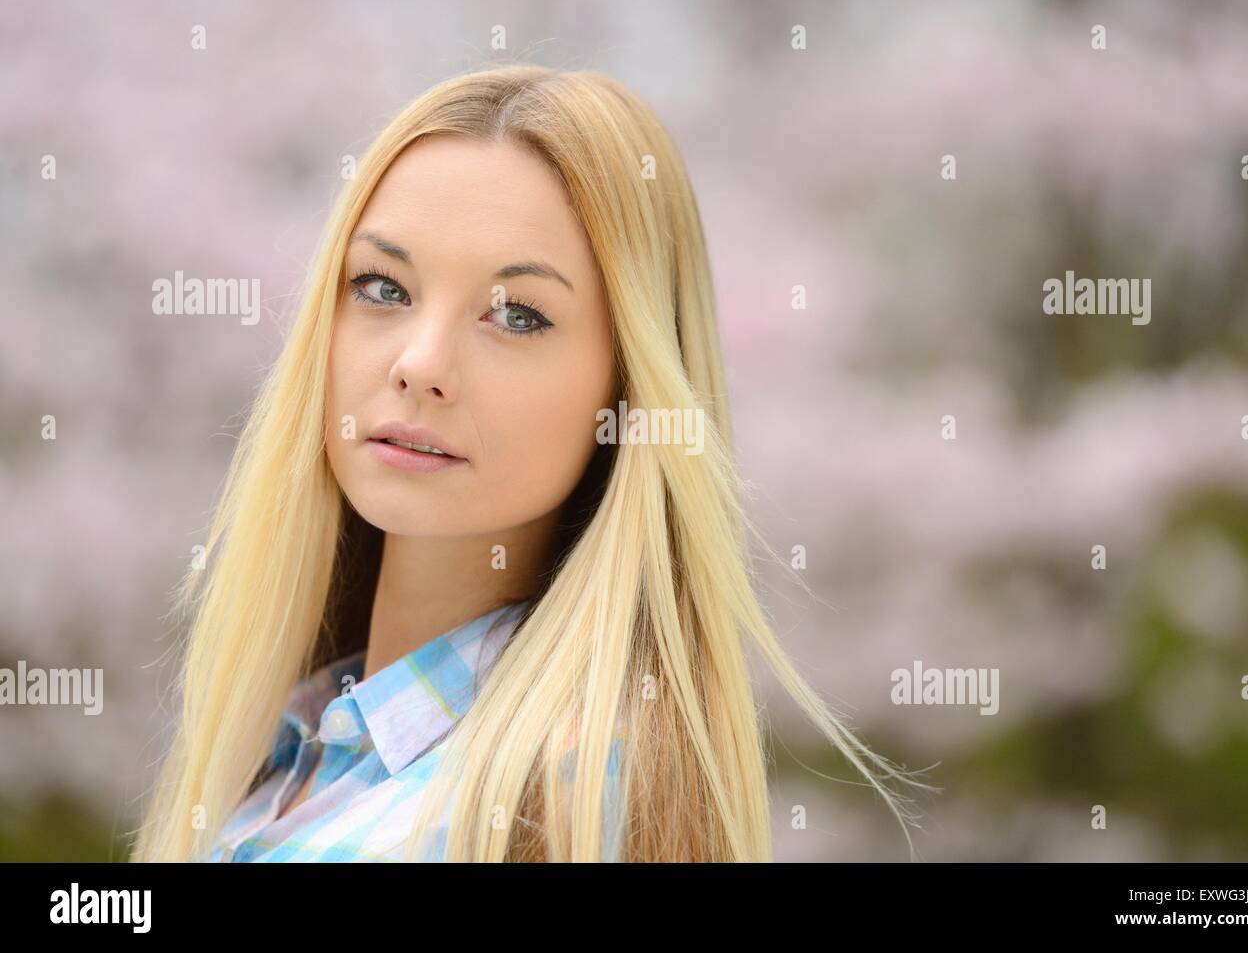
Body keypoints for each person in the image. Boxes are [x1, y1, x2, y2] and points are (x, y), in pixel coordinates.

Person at [130, 62, 934, 863]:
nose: (421, 362)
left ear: (626, 391)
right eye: (382, 286)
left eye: (516, 314)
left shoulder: (566, 804)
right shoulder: (287, 753)